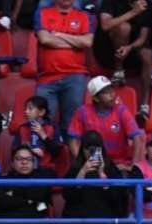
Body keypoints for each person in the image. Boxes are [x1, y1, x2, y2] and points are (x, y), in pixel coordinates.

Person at [35, 0, 97, 136]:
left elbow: (87, 42)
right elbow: (45, 39)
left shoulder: (85, 16)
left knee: (72, 125)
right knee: (41, 124)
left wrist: (59, 35)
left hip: (74, 76)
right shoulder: (42, 13)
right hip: (47, 77)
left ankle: (71, 157)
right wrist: (75, 41)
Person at [68, 75, 145, 167]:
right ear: (96, 98)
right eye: (106, 92)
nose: (112, 94)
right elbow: (73, 140)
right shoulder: (83, 111)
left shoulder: (121, 110)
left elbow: (137, 137)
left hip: (119, 163)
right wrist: (83, 163)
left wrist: (133, 165)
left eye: (111, 90)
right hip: (93, 164)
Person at [100, 0, 152, 119]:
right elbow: (105, 25)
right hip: (109, 50)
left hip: (132, 48)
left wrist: (129, 47)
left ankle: (145, 105)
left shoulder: (147, 5)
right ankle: (118, 70)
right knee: (124, 27)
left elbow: (143, 38)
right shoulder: (111, 2)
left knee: (148, 54)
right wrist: (134, 12)